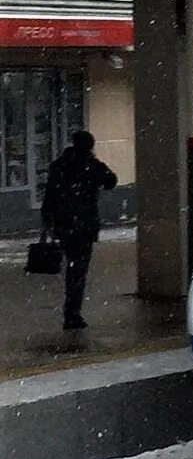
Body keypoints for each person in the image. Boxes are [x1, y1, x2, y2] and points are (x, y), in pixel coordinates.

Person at [41, 131, 117, 330]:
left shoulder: (59, 166)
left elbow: (50, 195)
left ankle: (71, 309)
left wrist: (48, 220)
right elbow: (111, 181)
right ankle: (72, 312)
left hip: (65, 224)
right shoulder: (91, 166)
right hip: (84, 225)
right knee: (78, 270)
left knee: (72, 266)